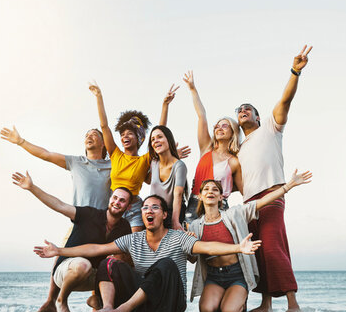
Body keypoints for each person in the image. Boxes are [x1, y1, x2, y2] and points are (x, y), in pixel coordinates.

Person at [33, 195, 261, 312]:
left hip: (170, 303)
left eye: (154, 207)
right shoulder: (135, 239)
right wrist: (59, 251)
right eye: (144, 208)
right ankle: (110, 308)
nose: (148, 211)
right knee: (109, 261)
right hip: (144, 305)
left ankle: (122, 311)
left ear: (164, 214)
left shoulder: (177, 237)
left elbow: (207, 247)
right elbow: (96, 248)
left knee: (165, 264)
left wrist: (238, 248)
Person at [236, 44, 313, 312]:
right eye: (239, 110)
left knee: (274, 248)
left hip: (272, 195)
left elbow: (285, 101)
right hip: (249, 204)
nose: (243, 110)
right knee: (258, 253)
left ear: (257, 116)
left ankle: (293, 306)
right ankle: (266, 305)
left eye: (248, 109)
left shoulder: (270, 127)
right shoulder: (240, 148)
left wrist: (294, 72)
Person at [0, 126, 111, 312]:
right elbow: (46, 154)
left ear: (104, 143)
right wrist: (20, 141)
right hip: (78, 220)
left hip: (105, 224)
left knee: (101, 262)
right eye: (86, 135)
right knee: (61, 255)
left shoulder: (112, 165)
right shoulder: (76, 162)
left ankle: (96, 304)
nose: (89, 136)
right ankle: (51, 301)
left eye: (95, 134)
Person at [187, 169, 312, 312]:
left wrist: (288, 186)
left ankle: (238, 300)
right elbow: (193, 259)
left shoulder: (234, 214)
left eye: (215, 189)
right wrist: (190, 245)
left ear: (221, 197)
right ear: (200, 196)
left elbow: (261, 202)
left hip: (235, 275)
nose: (211, 192)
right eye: (206, 189)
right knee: (207, 311)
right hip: (214, 277)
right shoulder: (195, 225)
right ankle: (224, 298)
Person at [12, 171, 133, 312]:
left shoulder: (124, 227)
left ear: (128, 207)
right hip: (67, 271)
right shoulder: (89, 214)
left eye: (122, 200)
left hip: (92, 276)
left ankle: (98, 301)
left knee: (120, 269)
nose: (117, 202)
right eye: (115, 198)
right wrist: (32, 187)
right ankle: (61, 301)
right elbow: (59, 205)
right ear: (109, 199)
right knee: (83, 265)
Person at [89, 83, 188, 232]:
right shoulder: (115, 154)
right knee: (110, 245)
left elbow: (159, 131)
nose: (124, 137)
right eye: (122, 135)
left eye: (129, 133)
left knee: (132, 248)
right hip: (115, 206)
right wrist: (99, 97)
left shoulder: (145, 160)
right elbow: (104, 126)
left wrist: (165, 105)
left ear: (139, 139)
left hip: (135, 208)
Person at [181, 71, 244, 221]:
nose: (219, 128)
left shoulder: (234, 162)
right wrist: (192, 89)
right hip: (195, 204)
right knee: (192, 243)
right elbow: (202, 116)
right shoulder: (206, 149)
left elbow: (244, 191)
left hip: (220, 208)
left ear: (233, 132)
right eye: (217, 126)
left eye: (225, 126)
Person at [146, 125, 188, 230]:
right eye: (153, 139)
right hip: (154, 211)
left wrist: (175, 221)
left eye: (159, 137)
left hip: (173, 211)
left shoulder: (179, 166)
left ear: (168, 139)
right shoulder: (154, 163)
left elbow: (178, 193)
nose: (156, 141)